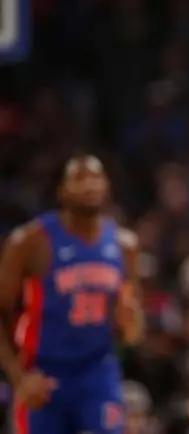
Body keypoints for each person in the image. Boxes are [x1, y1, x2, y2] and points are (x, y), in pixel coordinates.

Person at [0, 154, 143, 434]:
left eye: (96, 177)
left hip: (98, 372)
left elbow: (132, 333)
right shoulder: (30, 242)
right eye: (79, 178)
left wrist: (130, 321)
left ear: (107, 186)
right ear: (61, 191)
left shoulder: (125, 245)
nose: (90, 185)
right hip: (44, 372)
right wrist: (18, 378)